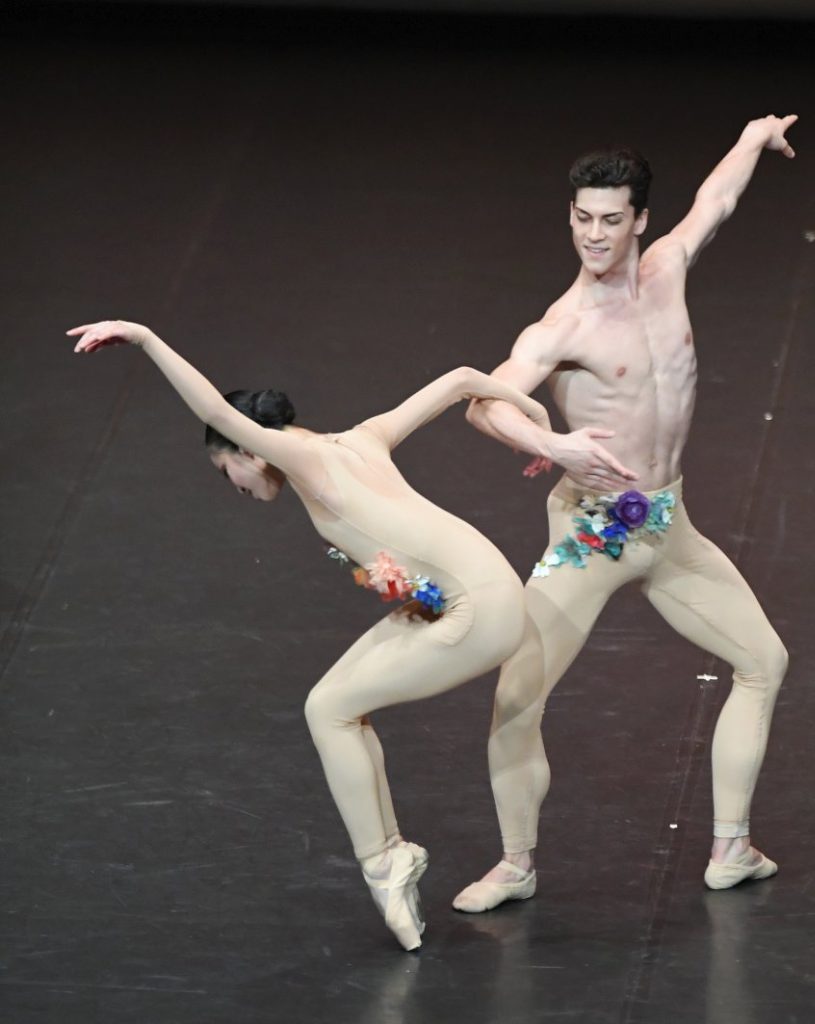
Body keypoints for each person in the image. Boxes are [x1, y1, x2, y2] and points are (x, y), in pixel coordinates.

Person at [68, 319, 550, 950]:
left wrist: (144, 337)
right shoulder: (361, 438)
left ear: (247, 450)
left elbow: (212, 407)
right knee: (333, 704)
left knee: (329, 711)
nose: (235, 488)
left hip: (479, 612)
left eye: (225, 471)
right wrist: (534, 412)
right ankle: (388, 858)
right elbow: (462, 379)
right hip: (478, 589)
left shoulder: (298, 454)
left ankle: (385, 862)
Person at [454, 114, 797, 912]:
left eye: (611, 220)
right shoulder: (560, 325)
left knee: (763, 661)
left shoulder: (668, 266)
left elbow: (715, 201)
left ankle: (730, 846)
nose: (594, 236)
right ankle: (515, 863)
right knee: (514, 703)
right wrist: (554, 443)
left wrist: (750, 139)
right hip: (591, 534)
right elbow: (481, 406)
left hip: (666, 526)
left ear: (639, 220)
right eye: (581, 219)